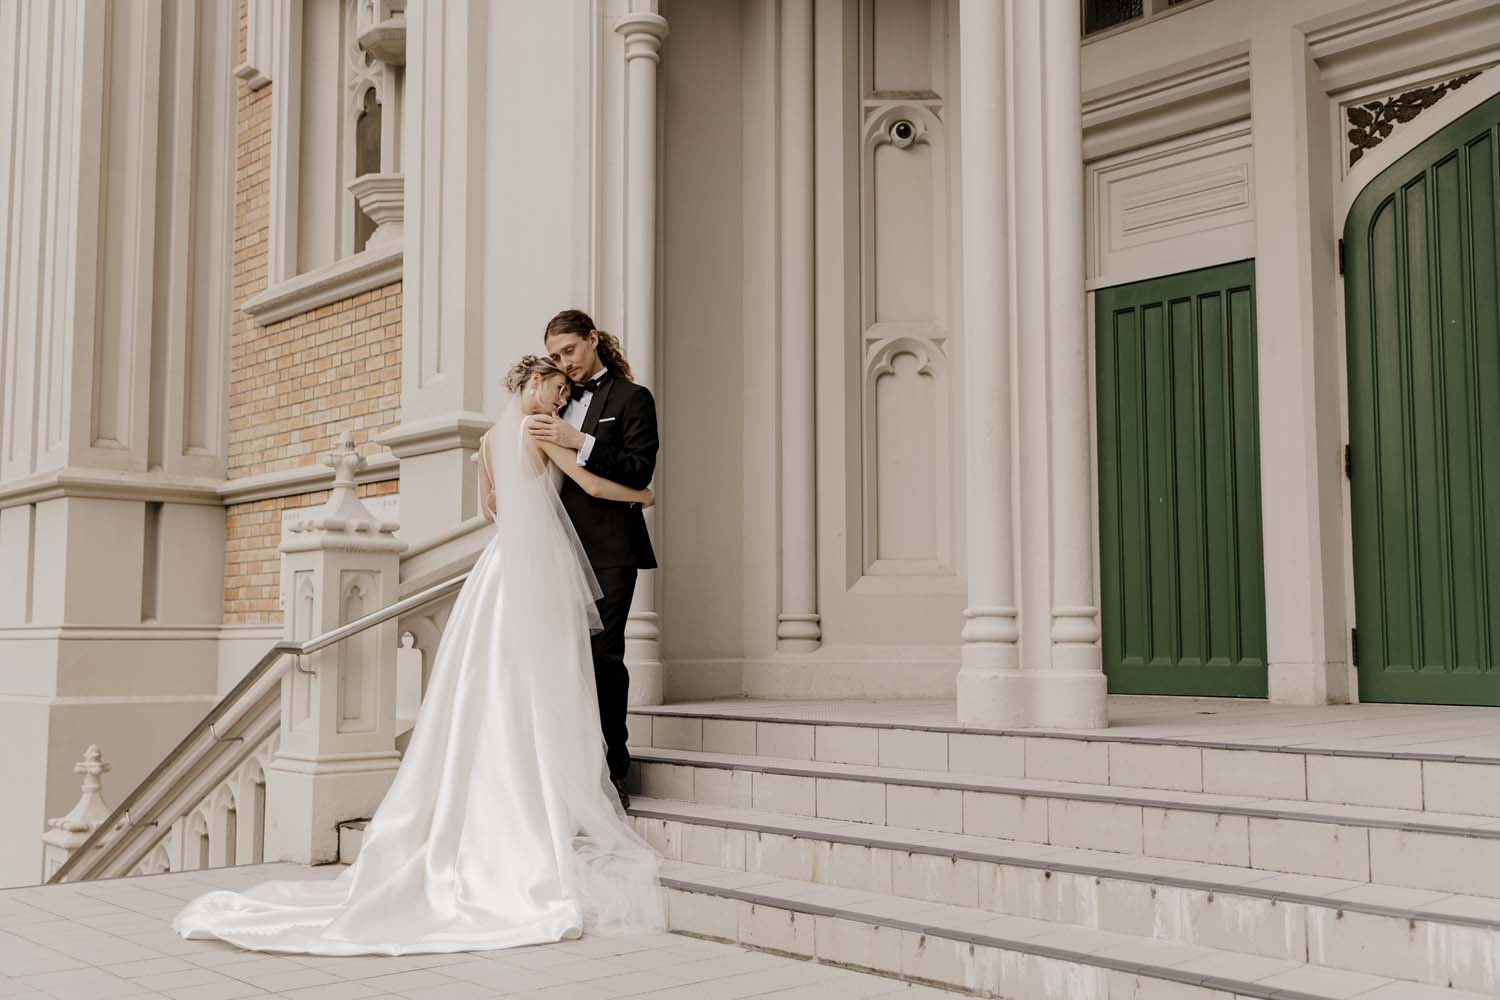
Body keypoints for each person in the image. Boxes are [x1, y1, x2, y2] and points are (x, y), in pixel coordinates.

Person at [171, 355, 664, 955]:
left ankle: (503, 790)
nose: (561, 403)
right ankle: (543, 798)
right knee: (541, 683)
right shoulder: (537, 429)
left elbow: (491, 508)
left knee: (492, 686)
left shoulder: (487, 440)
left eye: (565, 395)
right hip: (533, 572)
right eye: (558, 390)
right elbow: (588, 483)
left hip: (498, 570)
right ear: (534, 384)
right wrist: (642, 491)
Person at [526, 310, 659, 809]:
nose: (566, 363)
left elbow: (639, 467)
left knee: (604, 656)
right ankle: (565, 771)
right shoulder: (552, 401)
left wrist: (579, 441)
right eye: (556, 356)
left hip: (609, 551)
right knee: (561, 660)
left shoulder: (631, 398)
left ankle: (613, 770)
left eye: (571, 351)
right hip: (555, 550)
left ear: (593, 339)